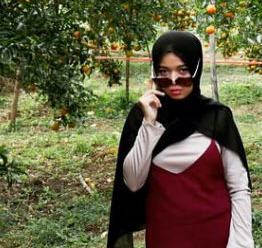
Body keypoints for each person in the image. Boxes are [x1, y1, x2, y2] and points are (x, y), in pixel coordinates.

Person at [106, 31, 253, 248]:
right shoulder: (143, 117)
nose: (173, 80)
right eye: (164, 72)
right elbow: (133, 183)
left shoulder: (216, 116)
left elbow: (239, 186)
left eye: (182, 70)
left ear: (196, 68)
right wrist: (149, 124)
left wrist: (240, 243)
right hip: (165, 237)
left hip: (217, 234)